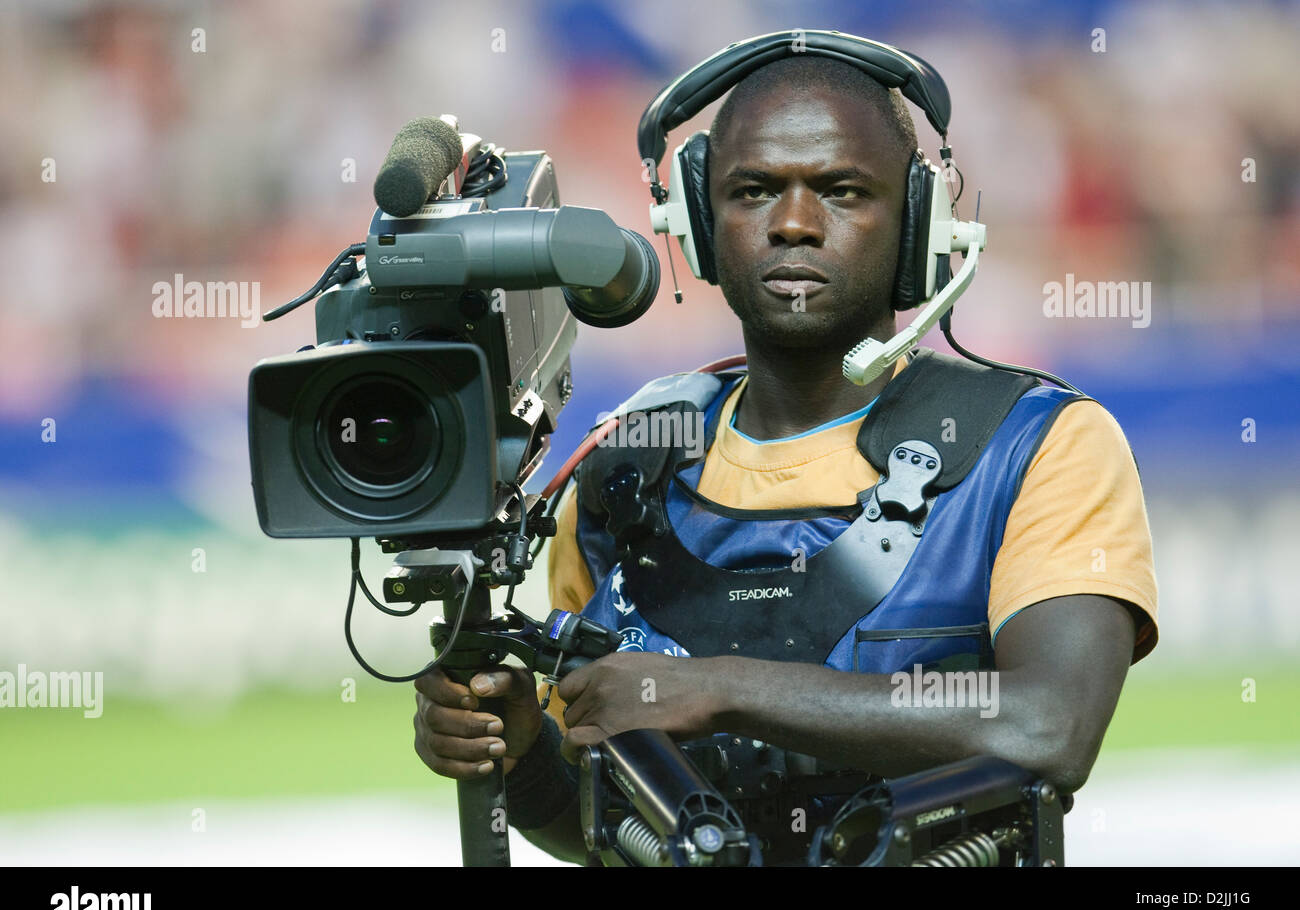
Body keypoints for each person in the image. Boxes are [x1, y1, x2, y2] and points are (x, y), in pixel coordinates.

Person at [413, 50, 1158, 866]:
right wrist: (522, 763)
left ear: (917, 222)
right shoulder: (627, 464)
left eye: (842, 191)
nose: (794, 222)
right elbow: (608, 833)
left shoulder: (1038, 443)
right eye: (754, 190)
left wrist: (720, 690)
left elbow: (1049, 725)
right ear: (696, 223)